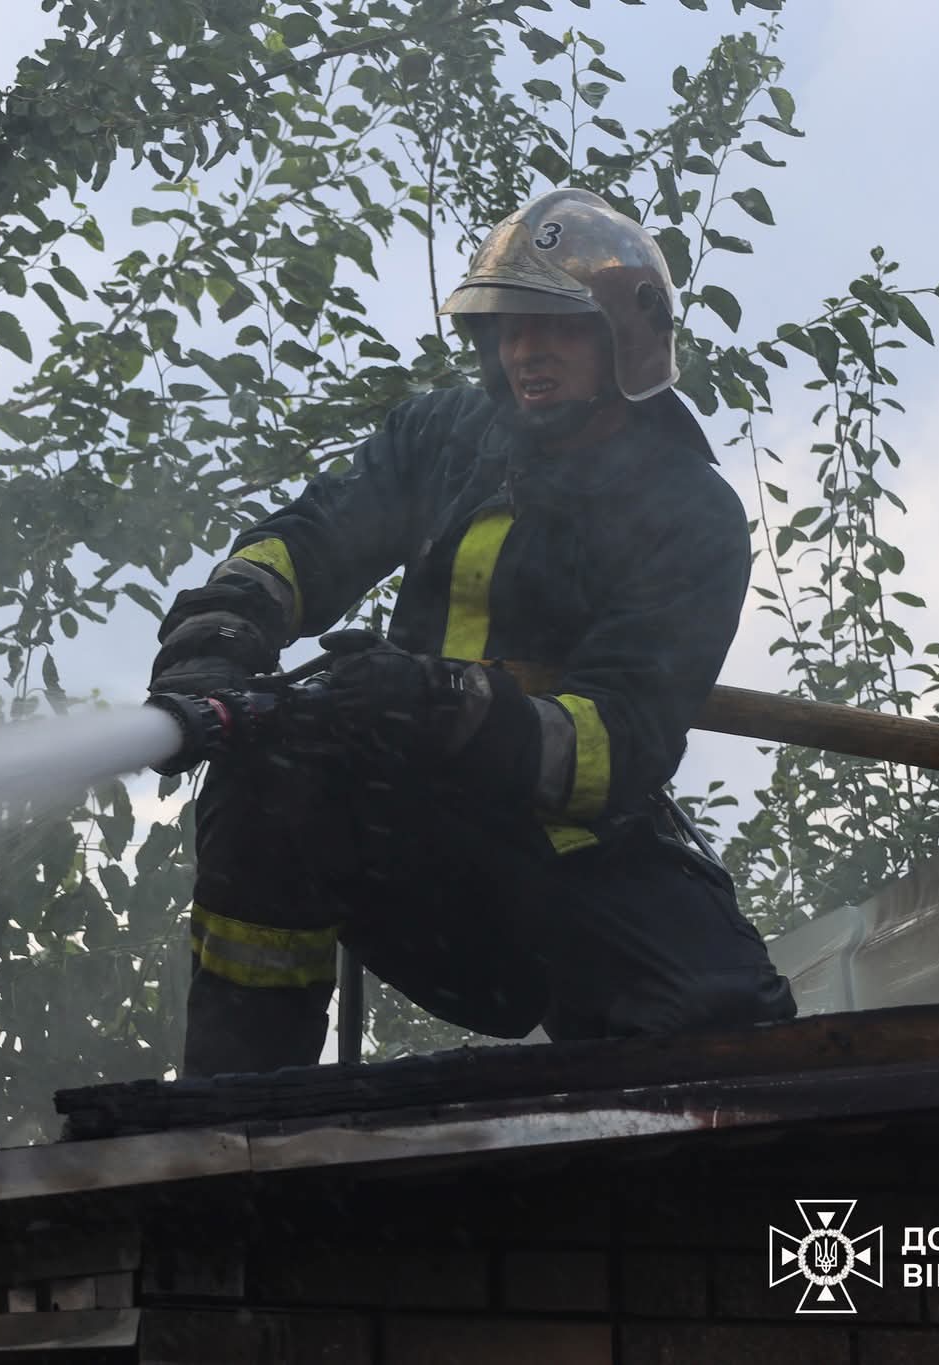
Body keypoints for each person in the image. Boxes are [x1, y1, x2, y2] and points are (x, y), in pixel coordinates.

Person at [149, 187, 797, 1077]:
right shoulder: (442, 436)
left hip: (563, 848)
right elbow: (311, 539)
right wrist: (222, 629)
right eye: (507, 326)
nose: (525, 350)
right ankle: (236, 1106)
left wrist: (454, 705)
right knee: (268, 772)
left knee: (725, 1018)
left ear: (628, 339)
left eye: (556, 326)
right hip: (404, 818)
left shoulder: (690, 514)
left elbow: (619, 743)